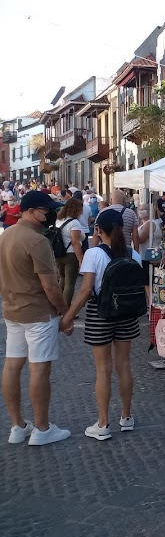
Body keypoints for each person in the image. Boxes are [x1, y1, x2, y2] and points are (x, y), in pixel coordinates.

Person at [0, 191, 73, 446]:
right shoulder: (37, 241)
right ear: (31, 211)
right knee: (39, 369)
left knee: (12, 366)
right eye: (46, 210)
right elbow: (51, 287)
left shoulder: (6, 235)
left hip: (12, 310)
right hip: (38, 314)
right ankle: (42, 428)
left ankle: (18, 426)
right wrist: (66, 313)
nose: (51, 214)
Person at [63, 209, 142, 440]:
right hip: (126, 314)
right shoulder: (132, 253)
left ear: (98, 230)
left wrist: (67, 317)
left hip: (101, 314)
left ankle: (103, 423)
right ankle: (126, 417)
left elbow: (86, 290)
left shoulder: (93, 254)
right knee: (124, 365)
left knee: (103, 370)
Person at [54, 197, 86, 305]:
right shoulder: (74, 223)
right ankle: (66, 308)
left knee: (61, 279)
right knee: (70, 283)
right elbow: (75, 242)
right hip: (71, 255)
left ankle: (58, 305)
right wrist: (81, 259)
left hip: (58, 253)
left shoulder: (58, 219)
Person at [136, 203, 162, 306]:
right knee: (147, 282)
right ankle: (151, 304)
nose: (141, 211)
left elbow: (141, 239)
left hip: (147, 257)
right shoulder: (149, 223)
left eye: (144, 209)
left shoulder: (149, 224)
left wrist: (132, 233)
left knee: (147, 283)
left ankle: (151, 304)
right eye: (140, 209)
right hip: (148, 256)